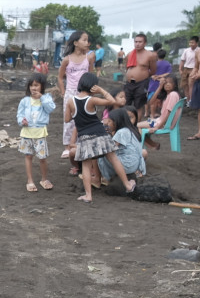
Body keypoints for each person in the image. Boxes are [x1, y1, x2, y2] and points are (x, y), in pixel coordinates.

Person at [65, 73, 136, 202]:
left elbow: (67, 119)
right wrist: (101, 90)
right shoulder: (91, 100)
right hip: (100, 134)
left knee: (86, 166)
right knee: (113, 158)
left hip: (84, 137)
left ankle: (88, 195)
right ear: (93, 86)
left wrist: (76, 114)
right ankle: (127, 185)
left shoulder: (71, 100)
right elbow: (112, 101)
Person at [57, 30, 95, 174]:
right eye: (84, 40)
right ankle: (70, 151)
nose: (87, 42)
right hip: (71, 93)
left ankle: (86, 158)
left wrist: (91, 93)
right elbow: (60, 77)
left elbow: (90, 76)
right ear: (75, 42)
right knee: (69, 122)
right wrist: (63, 92)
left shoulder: (89, 58)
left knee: (85, 122)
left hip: (85, 93)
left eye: (87, 40)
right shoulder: (67, 60)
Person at [16, 73, 56, 192]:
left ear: (42, 86)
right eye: (31, 85)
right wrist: (21, 121)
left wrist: (42, 97)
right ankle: (30, 181)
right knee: (28, 156)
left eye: (36, 85)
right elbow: (19, 114)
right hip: (27, 133)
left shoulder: (46, 98)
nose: (33, 88)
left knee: (42, 157)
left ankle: (44, 179)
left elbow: (51, 108)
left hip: (40, 134)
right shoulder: (25, 101)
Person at [98, 107, 147, 185]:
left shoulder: (121, 132)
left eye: (110, 121)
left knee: (102, 155)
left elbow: (110, 147)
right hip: (134, 164)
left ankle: (106, 178)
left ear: (116, 122)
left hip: (128, 164)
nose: (107, 123)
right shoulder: (129, 130)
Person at [139, 73, 181, 150]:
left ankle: (152, 145)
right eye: (165, 82)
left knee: (136, 126)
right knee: (137, 125)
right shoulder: (167, 95)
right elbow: (151, 102)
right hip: (158, 121)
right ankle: (152, 144)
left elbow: (169, 113)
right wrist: (159, 87)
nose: (167, 84)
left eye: (170, 82)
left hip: (162, 123)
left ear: (175, 85)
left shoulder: (173, 94)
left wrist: (157, 127)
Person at [123, 34, 153, 118]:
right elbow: (127, 67)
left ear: (145, 43)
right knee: (125, 103)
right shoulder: (129, 54)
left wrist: (143, 76)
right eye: (136, 42)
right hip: (129, 83)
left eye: (140, 42)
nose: (137, 44)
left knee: (138, 106)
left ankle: (136, 126)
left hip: (141, 83)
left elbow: (153, 70)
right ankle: (126, 123)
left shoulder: (150, 55)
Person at [179, 36, 198, 103]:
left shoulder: (199, 50)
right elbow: (182, 60)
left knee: (191, 84)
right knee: (185, 85)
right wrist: (180, 69)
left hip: (194, 69)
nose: (191, 44)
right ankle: (187, 100)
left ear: (196, 43)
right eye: (190, 42)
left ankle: (191, 100)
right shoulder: (186, 50)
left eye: (192, 42)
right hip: (186, 69)